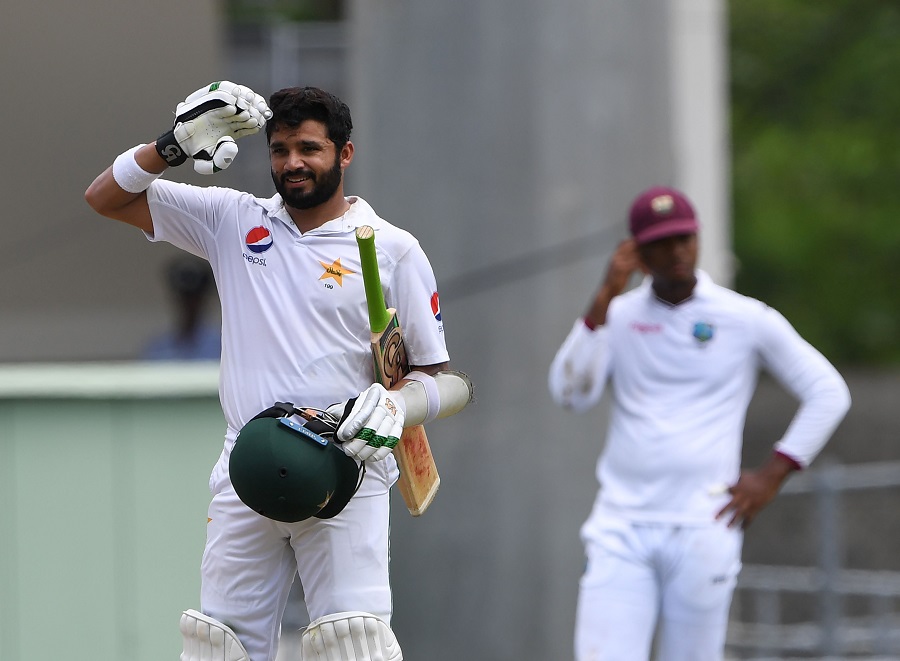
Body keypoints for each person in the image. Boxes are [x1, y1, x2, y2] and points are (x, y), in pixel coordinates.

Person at [85, 81, 470, 661]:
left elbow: (445, 380)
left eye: (310, 149)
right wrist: (175, 143)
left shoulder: (392, 249)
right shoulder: (232, 220)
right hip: (248, 467)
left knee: (353, 644)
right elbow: (105, 197)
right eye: (281, 149)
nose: (293, 163)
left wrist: (397, 406)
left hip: (349, 469)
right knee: (219, 647)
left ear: (344, 153)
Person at [547, 185, 851, 661]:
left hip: (704, 524)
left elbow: (828, 392)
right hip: (621, 525)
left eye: (684, 238)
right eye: (661, 243)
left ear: (698, 239)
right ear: (637, 253)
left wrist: (772, 476)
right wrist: (604, 295)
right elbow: (569, 394)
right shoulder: (618, 315)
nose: (676, 252)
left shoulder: (745, 317)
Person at [142, 255, 222, 360]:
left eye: (195, 298)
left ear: (204, 299)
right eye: (185, 298)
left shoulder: (221, 347)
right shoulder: (158, 349)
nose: (190, 304)